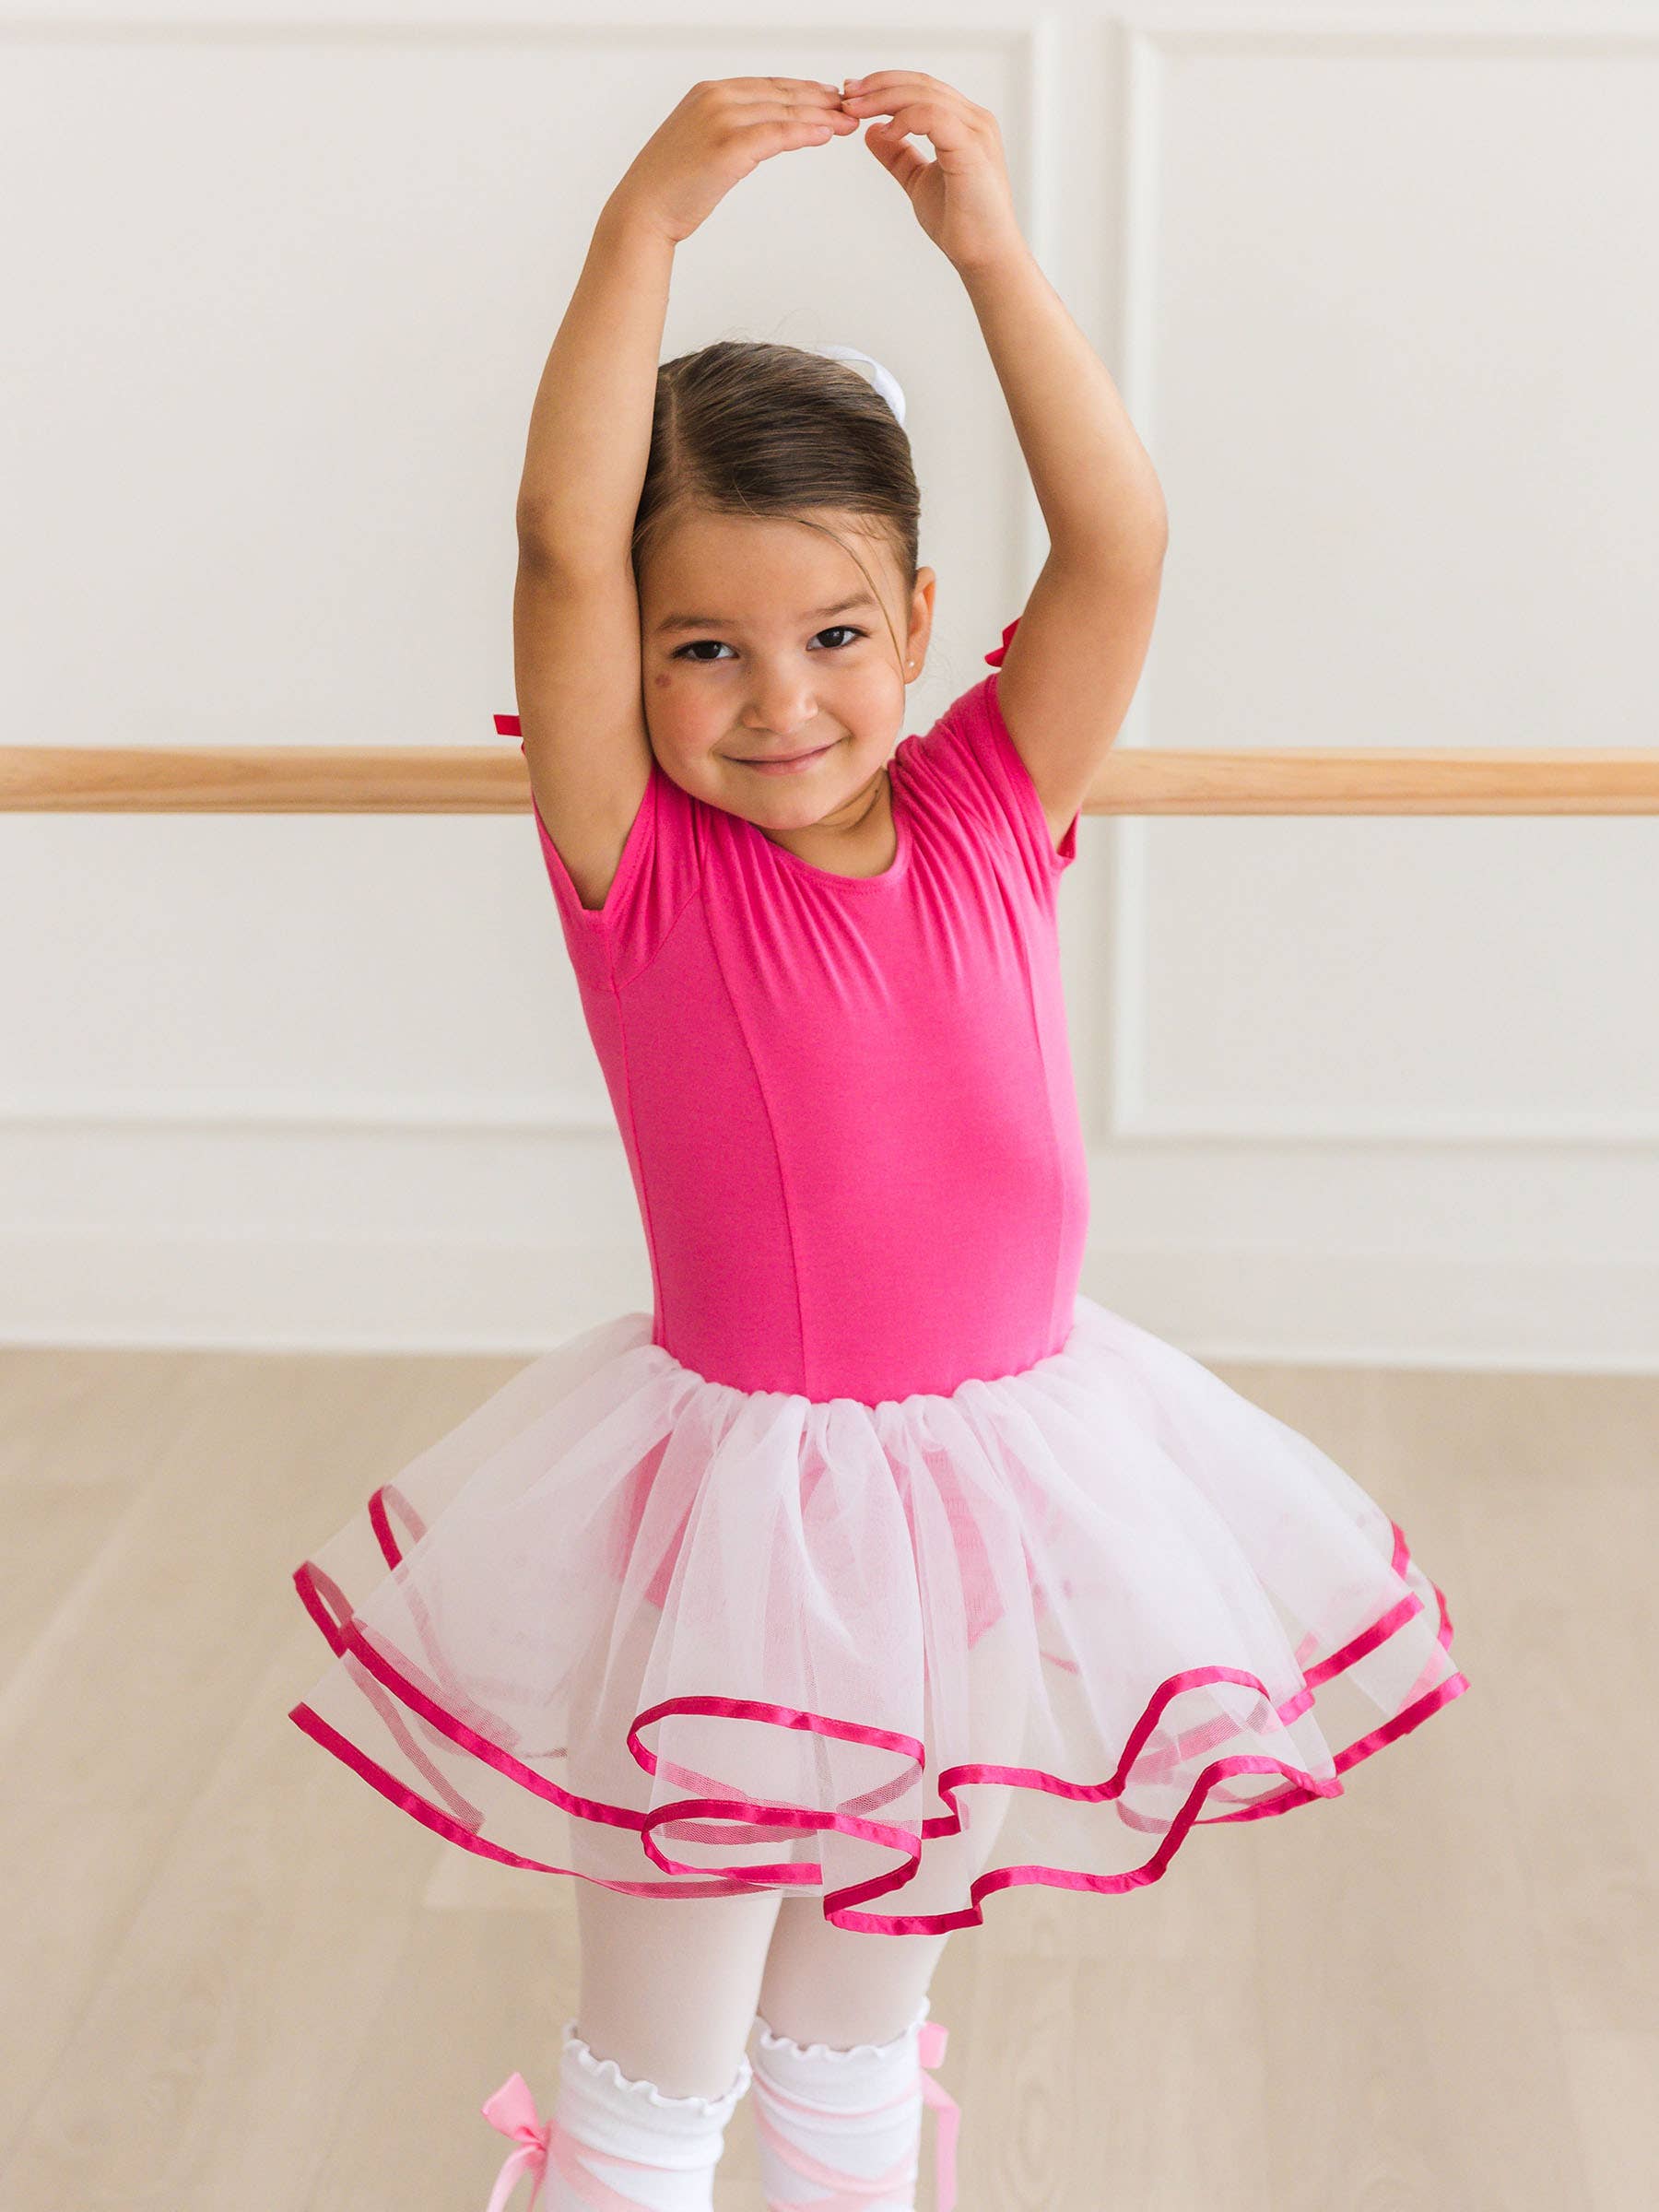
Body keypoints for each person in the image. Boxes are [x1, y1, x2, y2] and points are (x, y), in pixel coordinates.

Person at [287, 71, 1470, 2212]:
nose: (781, 699)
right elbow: (556, 538)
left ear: (922, 626)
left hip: (988, 1502)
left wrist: (993, 253)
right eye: (702, 650)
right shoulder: (641, 864)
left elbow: (1123, 540)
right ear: (628, 666)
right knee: (658, 2083)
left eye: (836, 637)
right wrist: (642, 230)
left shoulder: (996, 800)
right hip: (743, 1533)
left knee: (854, 2057)